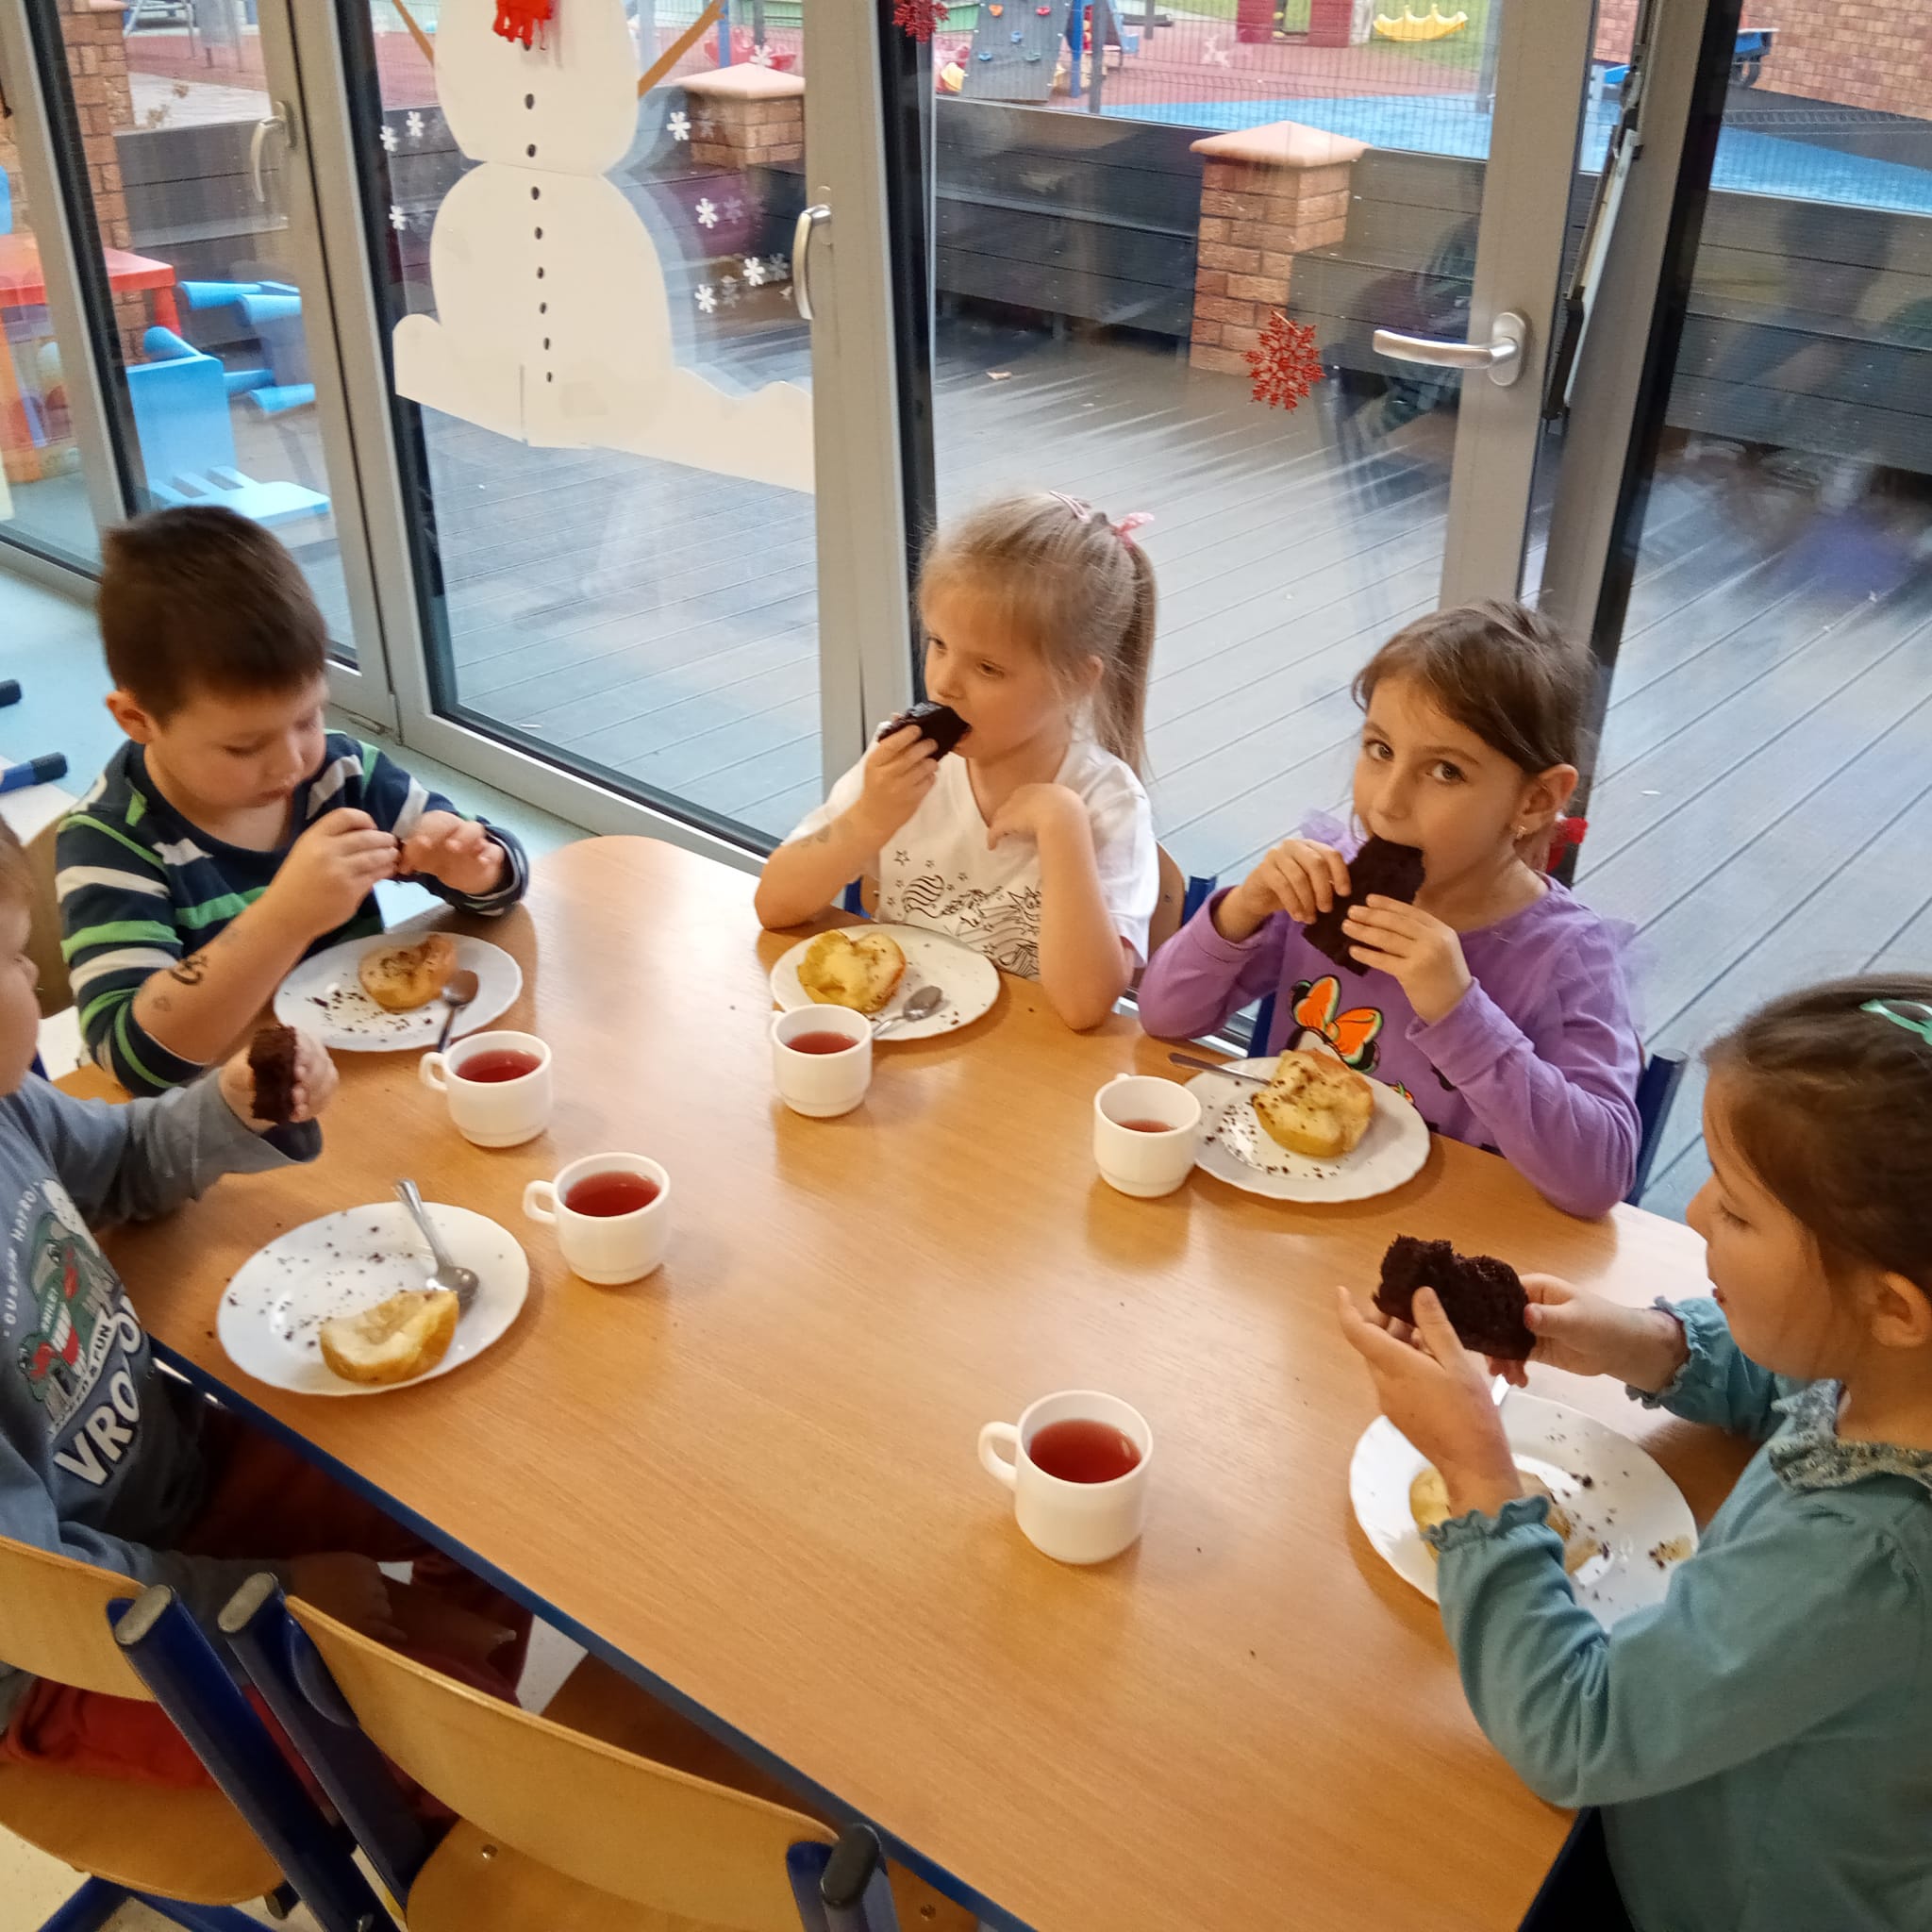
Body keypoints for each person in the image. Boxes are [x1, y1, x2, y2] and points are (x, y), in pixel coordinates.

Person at [1338, 976, 1932, 1932]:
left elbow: (1575, 1731)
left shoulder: (1867, 1558)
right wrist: (1641, 1343)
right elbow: (1796, 1377)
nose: (1692, 1211)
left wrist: (1477, 1473)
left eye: (1736, 1211)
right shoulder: (1900, 1381)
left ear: (1893, 1306)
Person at [0, 820, 525, 1789]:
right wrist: (275, 1596)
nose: (34, 978)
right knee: (452, 1749)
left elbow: (120, 1161)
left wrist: (230, 1107)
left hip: (175, 1480)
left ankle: (468, 1674)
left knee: (490, 1491)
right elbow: (45, 1593)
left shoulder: (7, 1109)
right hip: (67, 1654)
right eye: (9, 960)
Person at [1138, 600, 1639, 1217]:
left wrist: (1459, 1011)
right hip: (1280, 1207)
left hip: (1440, 1237)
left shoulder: (1566, 959)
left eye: (1446, 771)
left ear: (1535, 799)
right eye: (1379, 749)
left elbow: (1598, 1177)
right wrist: (1242, 912)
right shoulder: (1328, 882)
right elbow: (1163, 1015)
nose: (1388, 804)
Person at [58, 508, 528, 1096]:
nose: (290, 763)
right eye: (243, 746)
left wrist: (474, 866)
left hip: (344, 1080)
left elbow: (502, 881)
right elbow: (138, 1063)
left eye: (308, 718)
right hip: (206, 1113)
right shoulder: (111, 843)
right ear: (137, 719)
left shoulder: (340, 773)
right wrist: (286, 917)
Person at [755, 491, 1159, 1031]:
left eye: (988, 668)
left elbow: (1085, 1006)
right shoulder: (904, 766)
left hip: (1026, 1062)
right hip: (897, 1037)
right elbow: (775, 906)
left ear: (1076, 681)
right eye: (938, 643)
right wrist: (868, 818)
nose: (944, 683)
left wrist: (1062, 826)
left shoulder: (1106, 802)